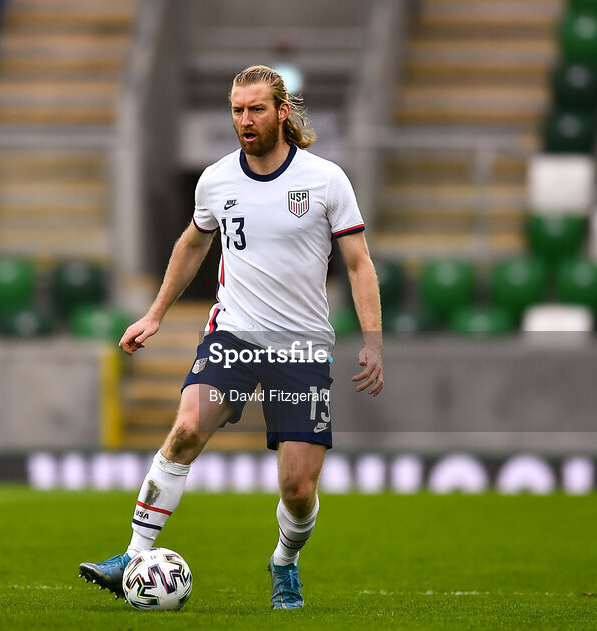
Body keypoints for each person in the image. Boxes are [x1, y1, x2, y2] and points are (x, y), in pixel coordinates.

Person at [79, 65, 383, 610]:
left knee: (297, 489)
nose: (245, 120)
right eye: (237, 110)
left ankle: (285, 561)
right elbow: (192, 246)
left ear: (282, 111)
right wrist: (154, 315)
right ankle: (132, 553)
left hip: (301, 348)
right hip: (233, 335)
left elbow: (359, 265)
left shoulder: (326, 179)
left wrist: (372, 340)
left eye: (256, 109)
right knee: (187, 428)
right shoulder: (216, 180)